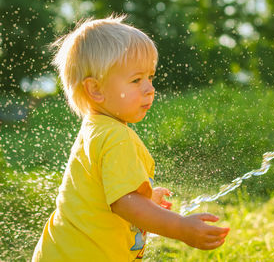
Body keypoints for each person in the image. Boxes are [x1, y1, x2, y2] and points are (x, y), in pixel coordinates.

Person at [32, 15, 229, 261]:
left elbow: (107, 194)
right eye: (136, 80)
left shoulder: (96, 129)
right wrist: (181, 228)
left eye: (150, 77)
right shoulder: (115, 137)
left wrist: (144, 198)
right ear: (96, 89)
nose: (149, 88)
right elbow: (125, 204)